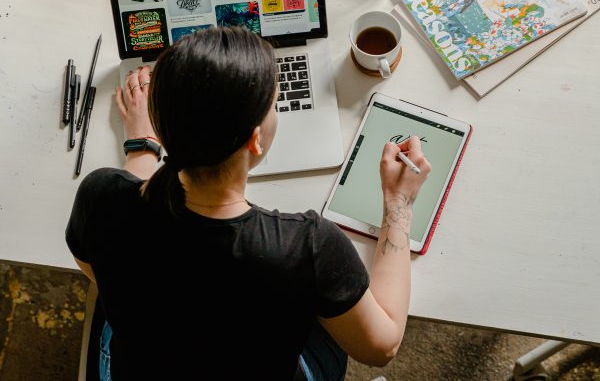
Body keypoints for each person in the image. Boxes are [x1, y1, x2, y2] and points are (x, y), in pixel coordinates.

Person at [66, 26, 431, 381]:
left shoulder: (100, 196)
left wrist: (141, 143)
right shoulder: (306, 247)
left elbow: (96, 265)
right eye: (274, 104)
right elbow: (381, 348)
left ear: (164, 126)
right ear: (255, 141)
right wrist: (399, 202)